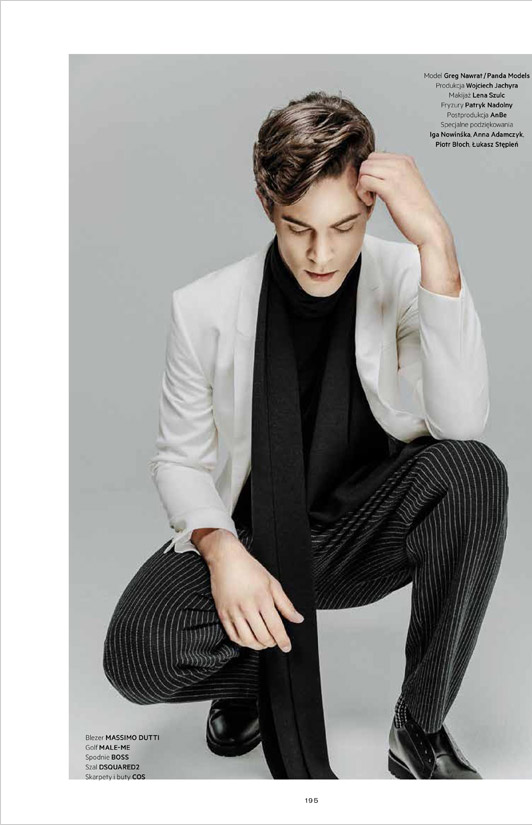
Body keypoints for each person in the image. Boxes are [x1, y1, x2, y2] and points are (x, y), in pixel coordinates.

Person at [103, 91, 509, 780]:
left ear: (371, 207)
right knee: (137, 652)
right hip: (259, 542)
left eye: (344, 226)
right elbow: (179, 459)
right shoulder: (202, 308)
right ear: (268, 205)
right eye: (299, 228)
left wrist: (437, 244)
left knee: (474, 472)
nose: (323, 254)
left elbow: (461, 423)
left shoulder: (405, 275)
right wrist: (221, 550)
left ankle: (419, 724)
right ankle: (255, 680)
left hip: (367, 531)